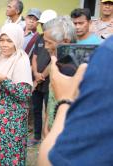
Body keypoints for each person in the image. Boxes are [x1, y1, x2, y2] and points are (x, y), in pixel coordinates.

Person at [38, 27, 113, 166]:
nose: (46, 47)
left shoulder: (108, 54)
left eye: (49, 42)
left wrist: (65, 101)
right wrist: (48, 121)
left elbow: (49, 160)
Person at [0, 23, 33, 165]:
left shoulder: (21, 60)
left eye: (9, 41)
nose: (4, 44)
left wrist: (3, 80)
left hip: (11, 121)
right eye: (2, 40)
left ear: (17, 41)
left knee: (8, 155)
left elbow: (24, 94)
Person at [28, 9, 57, 147]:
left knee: (49, 111)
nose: (42, 26)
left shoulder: (57, 39)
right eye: (42, 24)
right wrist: (35, 73)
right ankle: (37, 136)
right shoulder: (39, 37)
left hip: (48, 82)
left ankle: (49, 139)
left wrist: (40, 77)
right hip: (37, 80)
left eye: (45, 24)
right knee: (36, 109)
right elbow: (34, 57)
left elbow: (53, 61)